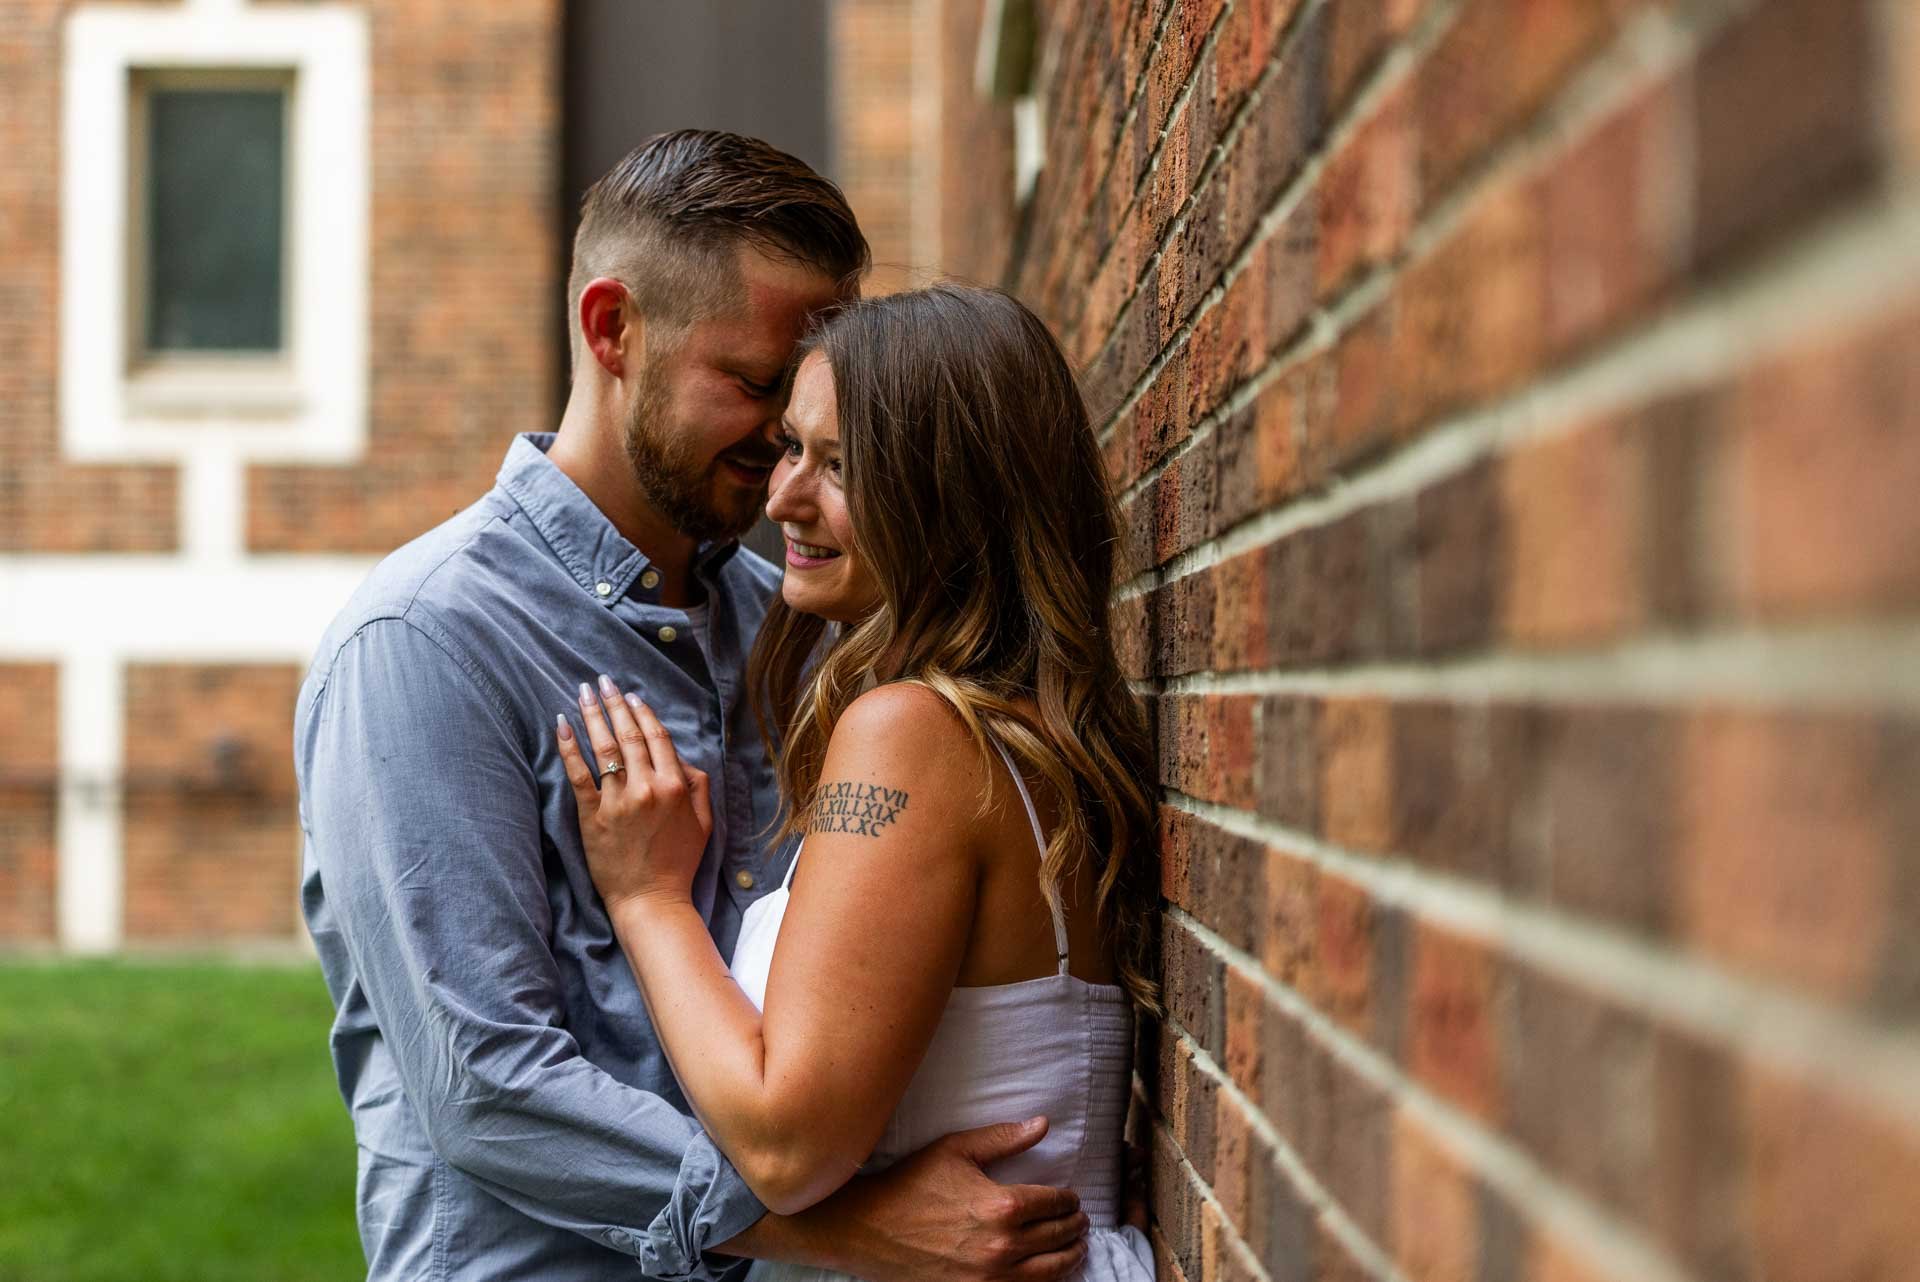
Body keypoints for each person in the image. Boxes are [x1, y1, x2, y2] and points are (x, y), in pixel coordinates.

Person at [297, 132, 1091, 1281]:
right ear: (613, 329)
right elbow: (486, 1083)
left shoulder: (802, 629)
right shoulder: (424, 643)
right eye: (759, 384)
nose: (784, 445)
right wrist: (850, 1230)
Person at [554, 284, 1161, 1282]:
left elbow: (785, 1146)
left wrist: (647, 895)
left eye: (841, 467)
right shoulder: (1021, 734)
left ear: (952, 495)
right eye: (792, 446)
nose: (784, 496)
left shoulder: (912, 734)